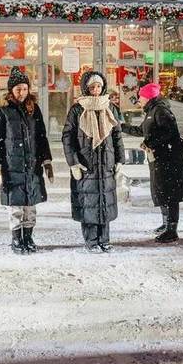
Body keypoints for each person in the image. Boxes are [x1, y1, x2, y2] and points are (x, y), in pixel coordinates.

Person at [0, 66, 54, 254]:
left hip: (32, 165)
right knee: (16, 206)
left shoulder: (33, 109)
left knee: (30, 205)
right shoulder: (2, 110)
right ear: (11, 90)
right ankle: (16, 239)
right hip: (12, 166)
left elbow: (41, 136)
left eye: (25, 88)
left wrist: (47, 161)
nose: (22, 92)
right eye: (18, 89)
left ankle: (28, 237)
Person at [62, 71, 124, 253]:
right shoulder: (77, 109)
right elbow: (68, 137)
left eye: (98, 86)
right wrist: (73, 163)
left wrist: (120, 159)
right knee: (88, 202)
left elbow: (117, 135)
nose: (96, 90)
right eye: (92, 87)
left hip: (106, 163)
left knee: (104, 200)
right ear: (86, 88)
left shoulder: (110, 108)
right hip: (86, 164)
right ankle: (91, 240)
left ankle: (104, 239)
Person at [123, 83, 183, 243]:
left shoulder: (161, 111)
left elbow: (169, 132)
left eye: (141, 96)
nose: (139, 99)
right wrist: (121, 127)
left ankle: (172, 230)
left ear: (148, 97)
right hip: (159, 158)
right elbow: (142, 131)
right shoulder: (152, 111)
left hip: (169, 158)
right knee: (162, 191)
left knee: (169, 192)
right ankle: (166, 223)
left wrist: (150, 142)